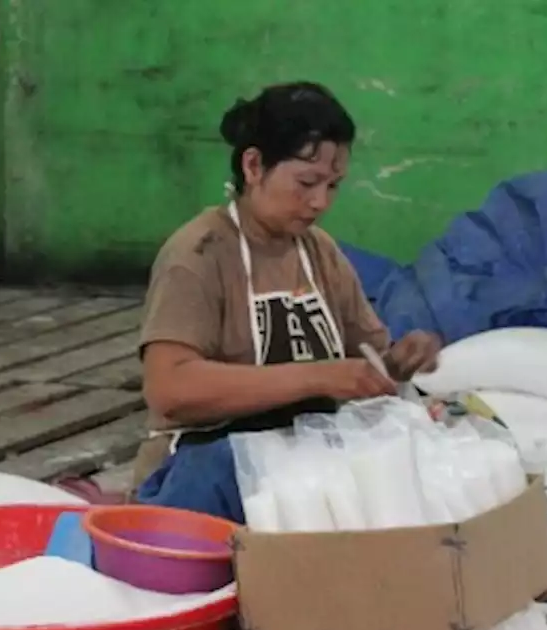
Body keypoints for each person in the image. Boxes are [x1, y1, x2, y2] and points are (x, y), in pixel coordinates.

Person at [133, 82, 442, 522]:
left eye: (333, 185)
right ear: (254, 165)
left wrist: (398, 363)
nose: (320, 201)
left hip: (293, 474)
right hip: (203, 481)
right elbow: (170, 390)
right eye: (306, 182)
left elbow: (365, 366)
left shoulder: (320, 254)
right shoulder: (198, 255)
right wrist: (317, 377)